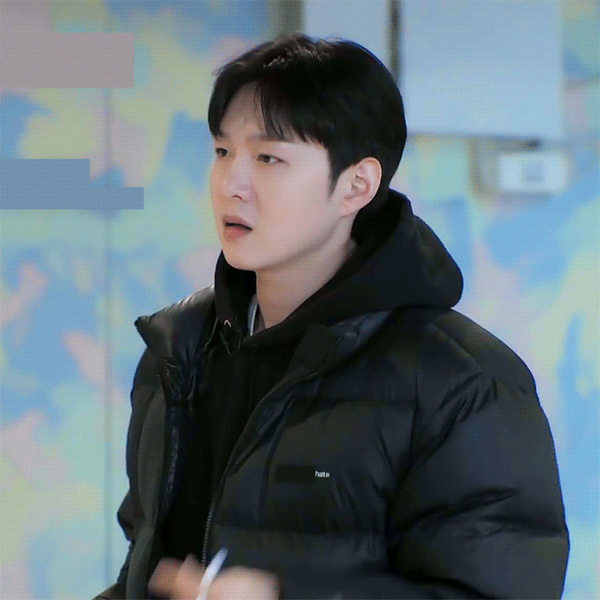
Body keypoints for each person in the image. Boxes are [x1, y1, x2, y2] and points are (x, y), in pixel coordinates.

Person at [93, 33, 569, 600]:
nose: (231, 185)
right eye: (222, 152)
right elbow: (146, 576)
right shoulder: (180, 353)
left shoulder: (463, 383)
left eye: (268, 158)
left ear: (356, 185)